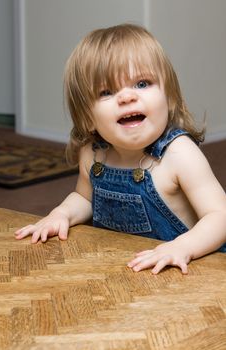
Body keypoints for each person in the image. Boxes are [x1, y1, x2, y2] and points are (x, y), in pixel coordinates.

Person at [15, 23, 226, 274]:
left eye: (142, 83)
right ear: (87, 118)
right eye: (107, 91)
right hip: (125, 269)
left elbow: (219, 216)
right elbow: (85, 198)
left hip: (192, 267)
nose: (127, 97)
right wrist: (61, 214)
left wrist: (183, 247)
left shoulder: (180, 154)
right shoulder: (94, 154)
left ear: (169, 98)